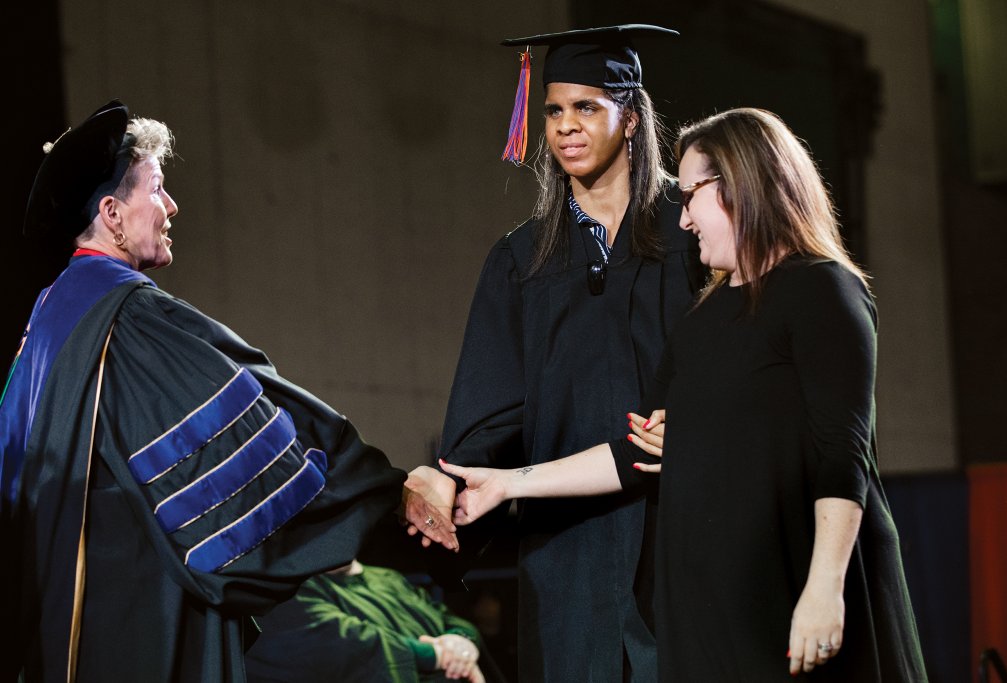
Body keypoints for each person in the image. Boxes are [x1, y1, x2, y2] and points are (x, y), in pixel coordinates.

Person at [438, 108, 929, 681]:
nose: (685, 218)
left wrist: (824, 587)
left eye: (693, 194)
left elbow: (842, 456)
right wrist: (508, 482)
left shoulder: (823, 288)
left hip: (794, 573)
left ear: (742, 190)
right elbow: (635, 451)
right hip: (717, 594)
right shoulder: (702, 322)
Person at [0, 101, 456, 683]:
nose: (171, 207)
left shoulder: (49, 320)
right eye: (158, 190)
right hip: (136, 609)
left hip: (63, 609)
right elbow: (254, 409)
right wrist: (386, 486)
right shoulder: (129, 316)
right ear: (113, 213)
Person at [403, 24, 705, 682]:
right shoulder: (523, 259)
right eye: (554, 110)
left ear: (630, 118)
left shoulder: (697, 230)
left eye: (587, 107)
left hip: (684, 531)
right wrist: (447, 481)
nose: (566, 126)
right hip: (571, 553)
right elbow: (489, 411)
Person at [244, 559, 485, 683]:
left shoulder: (387, 578)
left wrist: (461, 641)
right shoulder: (294, 590)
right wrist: (437, 655)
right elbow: (348, 644)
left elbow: (447, 619)